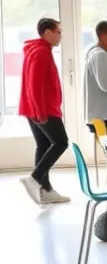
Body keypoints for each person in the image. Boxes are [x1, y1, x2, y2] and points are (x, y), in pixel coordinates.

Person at [18, 18, 69, 205]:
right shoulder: (41, 52)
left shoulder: (38, 50)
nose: (60, 36)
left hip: (34, 107)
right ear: (47, 32)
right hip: (43, 109)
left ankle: (45, 189)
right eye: (58, 32)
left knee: (44, 144)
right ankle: (34, 179)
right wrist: (40, 110)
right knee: (61, 142)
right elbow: (34, 83)